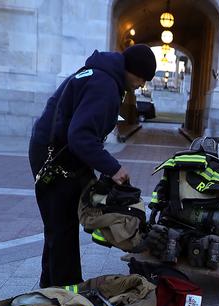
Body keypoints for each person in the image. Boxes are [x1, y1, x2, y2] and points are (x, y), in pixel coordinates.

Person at [29, 44, 157, 288]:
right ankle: (66, 292)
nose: (141, 85)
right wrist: (113, 167)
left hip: (54, 150)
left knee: (58, 225)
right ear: (133, 71)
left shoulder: (100, 74)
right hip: (55, 157)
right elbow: (81, 136)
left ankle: (52, 287)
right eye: (142, 78)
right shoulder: (105, 86)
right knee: (62, 226)